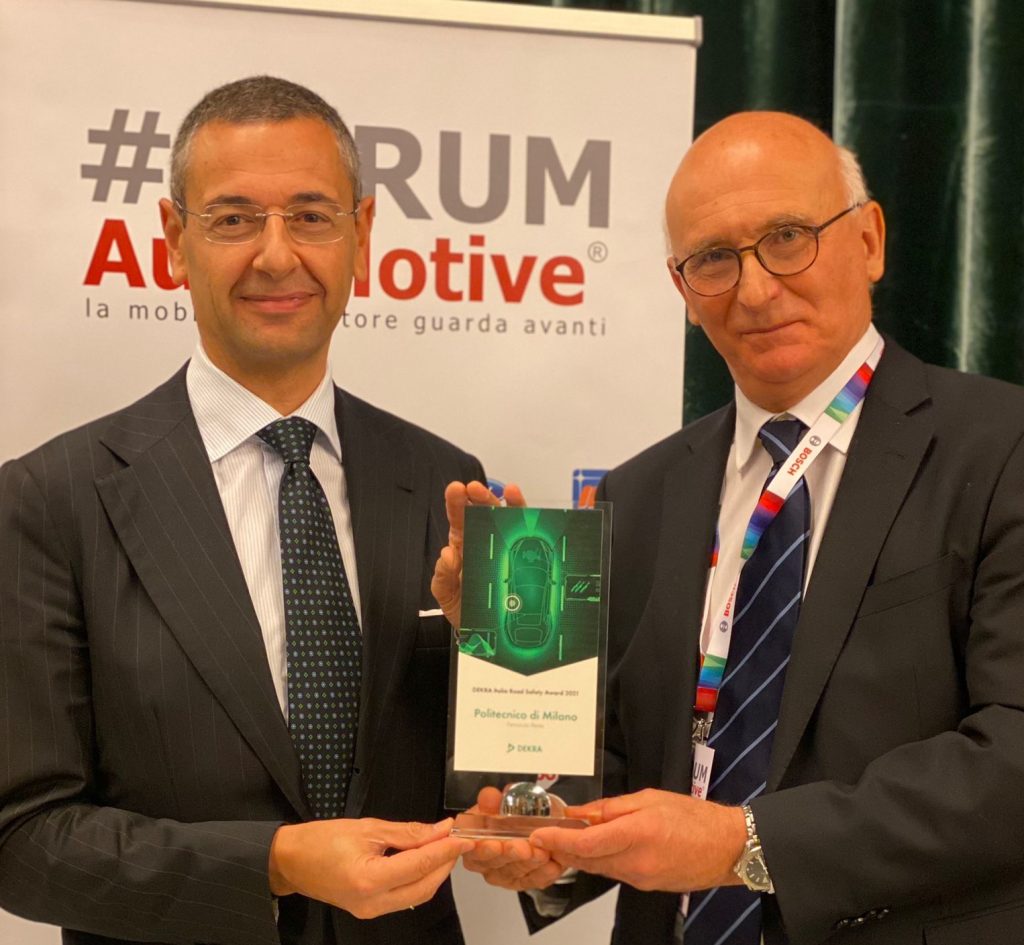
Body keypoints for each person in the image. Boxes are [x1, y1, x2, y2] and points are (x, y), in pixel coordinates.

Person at [435, 112, 1024, 944]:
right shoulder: (640, 495)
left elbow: (1011, 756)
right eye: (714, 258)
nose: (754, 290)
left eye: (787, 238)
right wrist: (545, 825)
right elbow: (625, 766)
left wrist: (743, 845)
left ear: (870, 240)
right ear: (682, 289)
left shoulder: (1001, 449)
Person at [0, 76, 481, 945]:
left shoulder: (443, 481)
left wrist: (499, 655)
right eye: (233, 219)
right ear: (173, 242)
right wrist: (275, 861)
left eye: (311, 215)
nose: (276, 255)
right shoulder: (53, 499)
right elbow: (24, 840)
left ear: (362, 234)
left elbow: (498, 785)